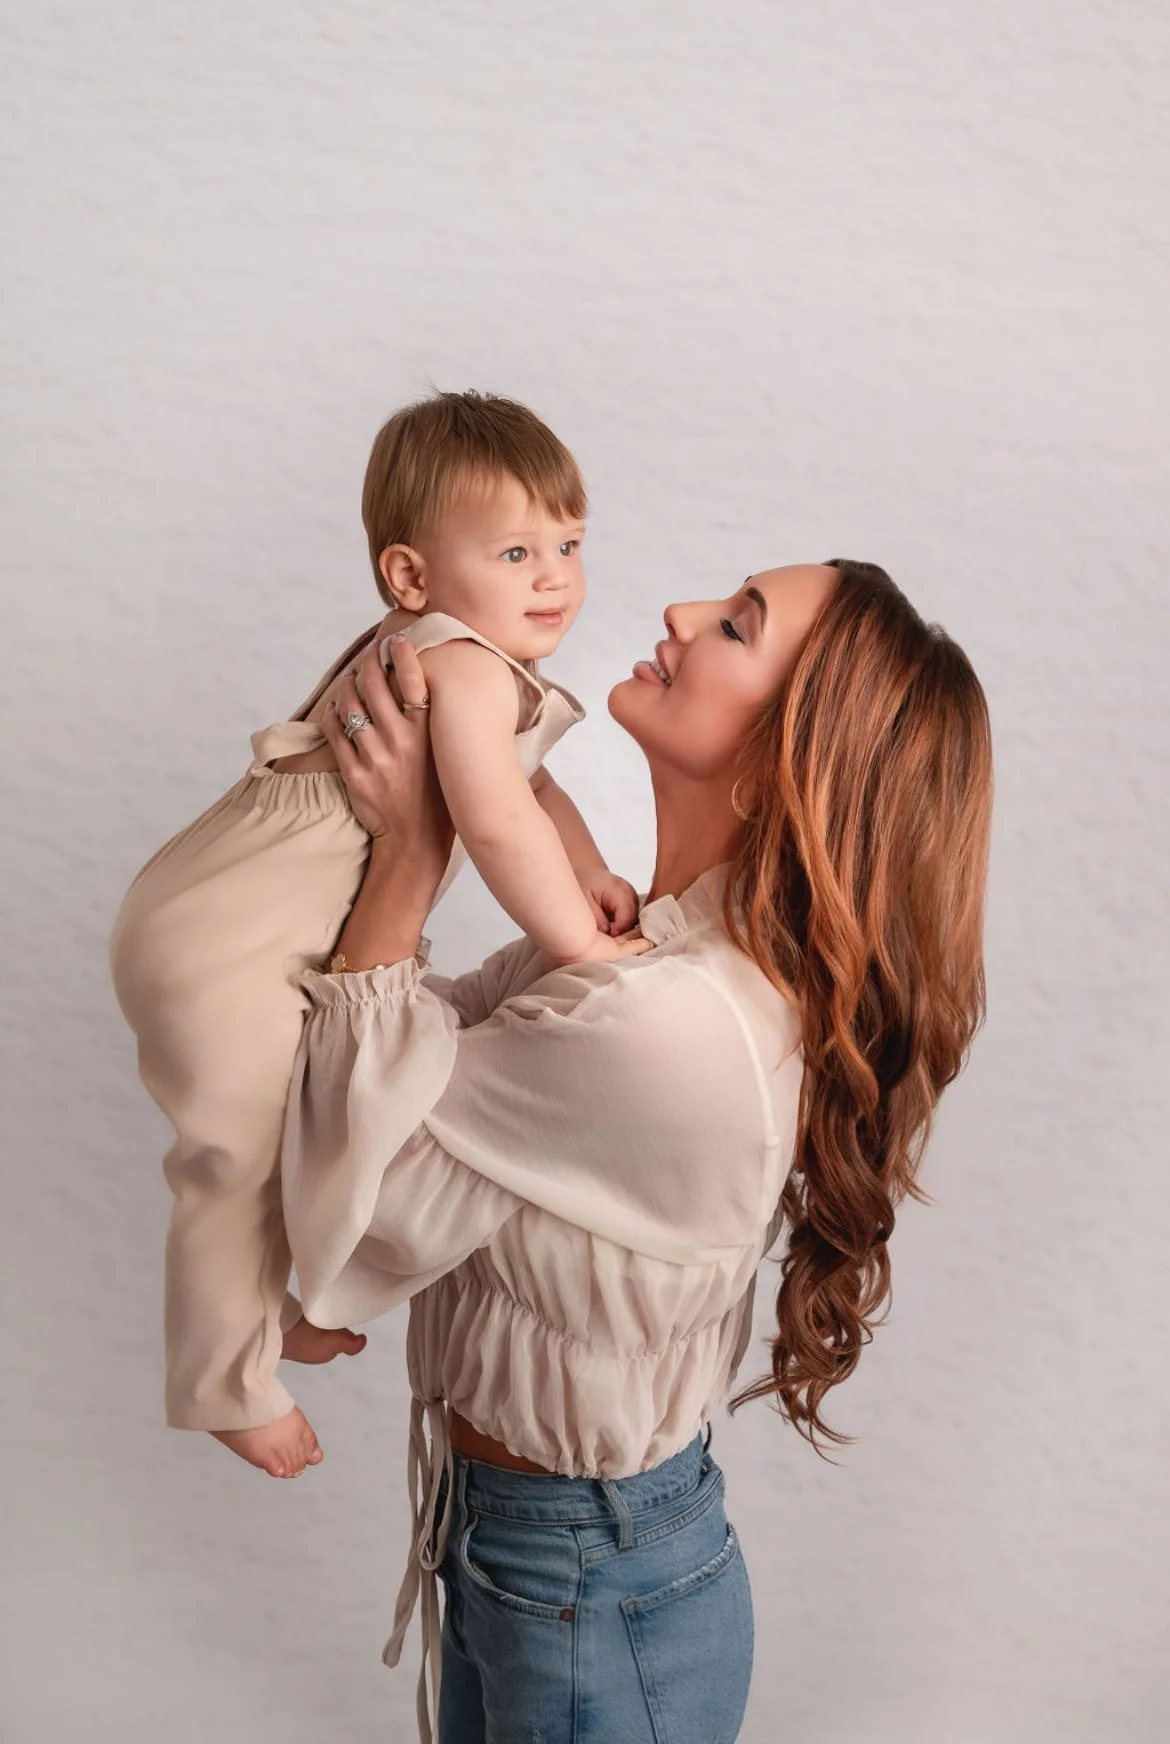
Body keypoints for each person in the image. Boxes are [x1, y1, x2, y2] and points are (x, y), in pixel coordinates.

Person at [278, 558, 993, 1743]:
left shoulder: (678, 1022)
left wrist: (409, 855)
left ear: (789, 755)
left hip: (588, 1590)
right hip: (527, 1555)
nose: (680, 614)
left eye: (736, 626)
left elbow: (352, 1191)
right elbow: (402, 1056)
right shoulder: (645, 948)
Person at [108, 391, 651, 1484]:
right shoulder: (459, 665)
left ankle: (274, 1310)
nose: (555, 577)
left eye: (569, 544)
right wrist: (577, 946)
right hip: (223, 936)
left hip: (233, 911)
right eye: (515, 551)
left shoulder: (467, 661)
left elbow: (531, 789)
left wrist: (590, 873)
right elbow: (494, 822)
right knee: (236, 1158)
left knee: (304, 1118)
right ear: (411, 575)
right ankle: (223, 1386)